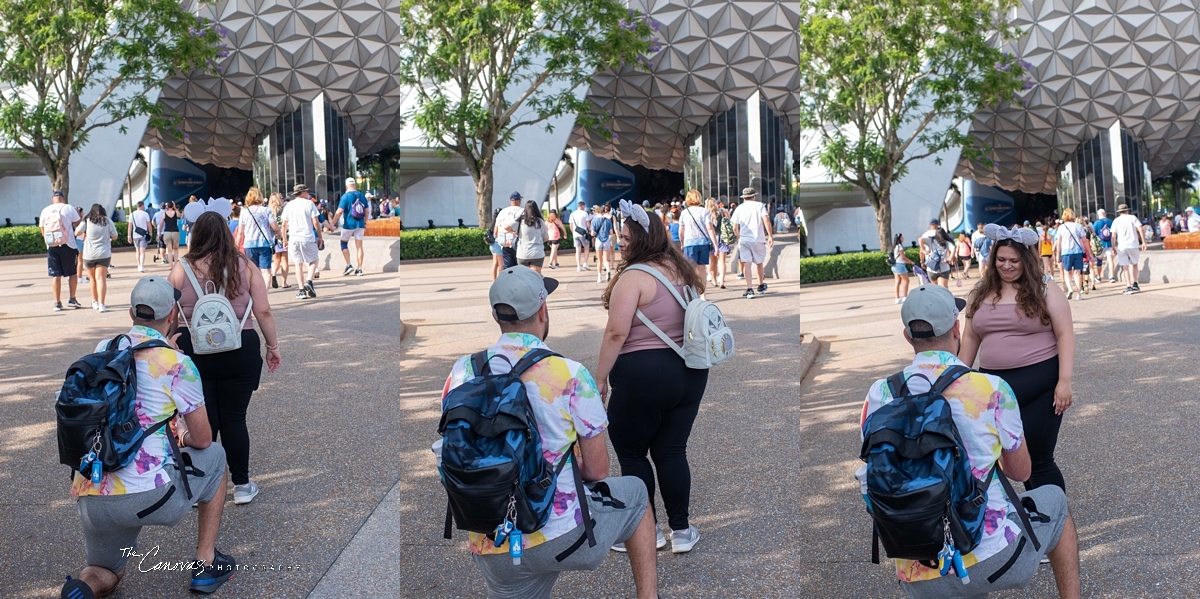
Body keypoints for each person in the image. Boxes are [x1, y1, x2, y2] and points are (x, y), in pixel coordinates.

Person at [442, 266, 660, 599]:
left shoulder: (462, 371)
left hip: (490, 539)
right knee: (636, 493)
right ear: (543, 310)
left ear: (496, 316)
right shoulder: (569, 373)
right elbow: (598, 470)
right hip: (565, 535)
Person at [860, 282, 1080, 599]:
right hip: (995, 558)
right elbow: (1021, 472)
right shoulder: (990, 388)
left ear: (908, 336)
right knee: (1055, 501)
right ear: (956, 327)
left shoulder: (879, 393)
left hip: (915, 569)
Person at [59, 276, 237, 599]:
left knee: (107, 571)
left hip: (92, 493)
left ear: (130, 314)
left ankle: (80, 589)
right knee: (217, 458)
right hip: (148, 495)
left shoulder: (104, 349)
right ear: (172, 315)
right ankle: (206, 564)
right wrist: (180, 432)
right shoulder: (177, 364)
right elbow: (203, 440)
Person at [596, 200, 707, 555]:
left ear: (643, 238)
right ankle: (683, 531)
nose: (620, 242)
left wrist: (600, 379)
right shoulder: (683, 269)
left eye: (626, 237)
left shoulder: (633, 278)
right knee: (672, 450)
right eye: (619, 236)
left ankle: (647, 532)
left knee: (631, 454)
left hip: (643, 375)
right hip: (690, 372)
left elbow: (616, 333)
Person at [170, 211, 281, 507]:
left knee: (202, 421)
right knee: (234, 418)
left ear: (196, 235)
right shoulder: (246, 267)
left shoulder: (181, 269)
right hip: (239, 349)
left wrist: (167, 344)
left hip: (192, 351)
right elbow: (264, 312)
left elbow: (169, 312)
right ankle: (242, 485)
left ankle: (199, 488)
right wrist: (272, 346)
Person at [40, 190, 83, 311]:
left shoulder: (45, 210)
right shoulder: (68, 208)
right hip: (68, 244)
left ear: (52, 199)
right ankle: (72, 299)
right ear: (63, 198)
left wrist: (49, 241)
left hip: (52, 246)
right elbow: (79, 224)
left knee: (55, 274)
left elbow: (42, 229)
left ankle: (57, 303)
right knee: (72, 273)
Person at [280, 184, 322, 299]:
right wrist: (320, 236)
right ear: (302, 192)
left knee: (298, 264)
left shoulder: (289, 205)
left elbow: (284, 225)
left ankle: (301, 290)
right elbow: (316, 222)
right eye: (306, 191)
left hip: (293, 238)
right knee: (314, 260)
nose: (308, 193)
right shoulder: (309, 204)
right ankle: (309, 281)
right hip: (307, 237)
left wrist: (284, 239)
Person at [730, 187, 773, 299]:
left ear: (744, 198)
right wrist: (770, 236)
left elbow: (734, 227)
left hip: (744, 240)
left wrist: (740, 236)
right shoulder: (759, 206)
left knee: (747, 264)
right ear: (754, 196)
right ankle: (760, 285)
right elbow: (766, 221)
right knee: (759, 263)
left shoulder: (739, 208)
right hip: (758, 239)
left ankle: (749, 290)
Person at [75, 204, 119, 313]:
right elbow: (115, 236)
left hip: (89, 254)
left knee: (92, 279)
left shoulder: (87, 220)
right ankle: (102, 304)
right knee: (101, 279)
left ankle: (94, 301)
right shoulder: (108, 221)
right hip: (104, 253)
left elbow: (76, 233)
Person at [237, 187, 280, 286]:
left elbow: (240, 232)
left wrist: (237, 246)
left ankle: (254, 294)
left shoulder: (244, 212)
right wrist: (279, 234)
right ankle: (264, 295)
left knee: (252, 272)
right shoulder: (266, 210)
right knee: (266, 272)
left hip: (249, 244)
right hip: (265, 243)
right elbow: (275, 227)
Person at [678, 190, 716, 288]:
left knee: (690, 268)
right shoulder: (705, 211)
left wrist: (681, 242)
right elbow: (710, 228)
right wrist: (715, 244)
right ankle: (702, 292)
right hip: (703, 242)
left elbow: (681, 230)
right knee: (702, 268)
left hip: (689, 242)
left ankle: (693, 290)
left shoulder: (684, 213)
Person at [333, 177, 369, 277]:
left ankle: (349, 265)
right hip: (360, 224)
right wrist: (365, 223)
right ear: (355, 185)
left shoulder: (345, 196)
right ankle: (360, 269)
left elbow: (339, 211)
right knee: (359, 247)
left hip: (348, 224)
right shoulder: (362, 195)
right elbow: (367, 211)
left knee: (343, 243)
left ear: (346, 186)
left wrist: (332, 223)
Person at [1054, 208, 1090, 300]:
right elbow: (1084, 240)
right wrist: (1089, 253)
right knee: (1077, 273)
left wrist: (1058, 255)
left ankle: (1070, 288)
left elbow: (1058, 243)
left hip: (1066, 252)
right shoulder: (1078, 226)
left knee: (1067, 272)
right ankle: (1079, 294)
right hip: (1078, 251)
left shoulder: (1061, 227)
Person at [1112, 204, 1147, 294]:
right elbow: (1140, 229)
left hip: (1122, 246)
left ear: (1119, 212)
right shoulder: (1133, 218)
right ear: (1127, 210)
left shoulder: (1116, 220)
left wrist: (1113, 247)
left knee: (1125, 266)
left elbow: (1113, 236)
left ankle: (1128, 286)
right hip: (1133, 244)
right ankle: (1135, 283)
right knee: (1135, 264)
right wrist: (1143, 241)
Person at [514, 200, 548, 274]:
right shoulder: (540, 221)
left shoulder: (520, 221)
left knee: (523, 277)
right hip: (537, 252)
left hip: (522, 253)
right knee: (535, 276)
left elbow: (506, 227)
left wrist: (515, 232)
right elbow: (546, 238)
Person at [267, 193, 290, 288]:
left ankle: (273, 274)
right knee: (284, 259)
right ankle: (284, 282)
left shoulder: (268, 211)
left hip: (273, 238)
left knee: (276, 260)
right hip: (283, 236)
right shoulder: (284, 210)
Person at [497, 192, 525, 269]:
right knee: (520, 267)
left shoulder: (502, 212)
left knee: (508, 268)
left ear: (510, 201)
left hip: (504, 242)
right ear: (519, 201)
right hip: (517, 242)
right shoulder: (522, 211)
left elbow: (496, 228)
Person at [705, 198, 729, 289]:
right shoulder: (722, 212)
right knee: (722, 261)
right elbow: (728, 223)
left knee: (712, 261)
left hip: (710, 239)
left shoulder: (705, 213)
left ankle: (714, 280)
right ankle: (722, 280)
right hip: (722, 237)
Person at [591, 204, 617, 282]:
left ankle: (599, 277)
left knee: (599, 260)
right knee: (606, 260)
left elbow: (592, 233)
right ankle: (608, 270)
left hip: (598, 240)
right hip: (606, 240)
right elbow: (611, 232)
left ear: (596, 211)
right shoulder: (608, 220)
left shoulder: (594, 220)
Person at [128, 201, 152, 272]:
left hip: (135, 235)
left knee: (137, 251)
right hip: (143, 235)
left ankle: (138, 265)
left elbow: (130, 226)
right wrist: (150, 233)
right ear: (142, 206)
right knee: (142, 252)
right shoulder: (145, 214)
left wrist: (129, 236)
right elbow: (149, 225)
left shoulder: (132, 214)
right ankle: (141, 265)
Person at [569, 200, 592, 271]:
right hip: (583, 233)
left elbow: (571, 225)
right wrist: (590, 230)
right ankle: (585, 263)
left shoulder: (572, 214)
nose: (584, 207)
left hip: (575, 234)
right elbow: (588, 224)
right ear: (582, 206)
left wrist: (573, 233)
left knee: (577, 250)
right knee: (586, 248)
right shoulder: (585, 213)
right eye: (584, 206)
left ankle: (578, 266)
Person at [891, 233, 914, 304]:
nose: (903, 238)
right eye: (902, 237)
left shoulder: (894, 247)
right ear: (899, 238)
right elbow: (902, 257)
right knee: (906, 281)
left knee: (897, 282)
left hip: (895, 265)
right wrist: (911, 262)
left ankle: (897, 298)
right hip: (900, 265)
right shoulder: (900, 246)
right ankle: (905, 297)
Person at [161, 201, 182, 266]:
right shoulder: (175, 212)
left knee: (169, 250)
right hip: (175, 231)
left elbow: (161, 224)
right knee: (176, 249)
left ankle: (171, 266)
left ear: (167, 206)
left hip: (167, 232)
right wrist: (175, 208)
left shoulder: (164, 214)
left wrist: (159, 232)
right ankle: (175, 263)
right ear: (172, 206)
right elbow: (180, 216)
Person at [487, 208, 504, 280]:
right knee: (501, 264)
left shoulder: (492, 224)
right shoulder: (499, 223)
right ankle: (500, 280)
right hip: (498, 244)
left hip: (493, 245)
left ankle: (494, 280)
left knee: (495, 264)